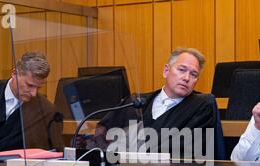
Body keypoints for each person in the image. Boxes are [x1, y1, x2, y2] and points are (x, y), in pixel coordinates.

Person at [80, 47, 215, 159]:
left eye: (193, 74)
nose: (186, 78)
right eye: (182, 70)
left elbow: (184, 150)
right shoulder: (136, 102)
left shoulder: (201, 106)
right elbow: (104, 131)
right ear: (166, 71)